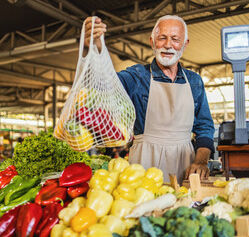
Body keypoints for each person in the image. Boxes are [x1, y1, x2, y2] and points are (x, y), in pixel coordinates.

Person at [84, 15, 215, 183]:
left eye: (175, 39)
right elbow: (107, 83)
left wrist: (201, 162)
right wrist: (96, 49)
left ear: (185, 44)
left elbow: (204, 127)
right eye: (162, 38)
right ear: (152, 42)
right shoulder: (137, 76)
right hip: (144, 164)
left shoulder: (195, 81)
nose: (168, 45)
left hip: (186, 166)